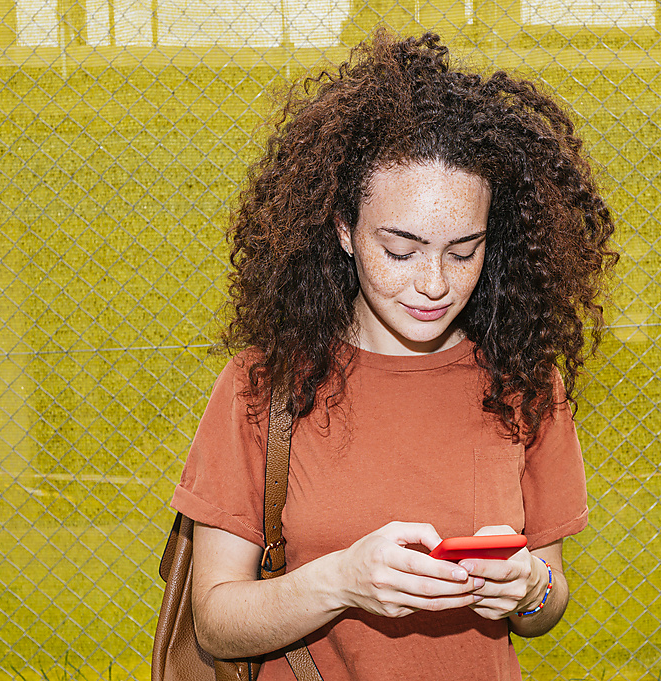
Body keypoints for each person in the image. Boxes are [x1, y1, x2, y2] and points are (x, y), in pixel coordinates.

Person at [170, 29, 617, 681]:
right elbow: (215, 619)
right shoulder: (260, 385)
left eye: (464, 250)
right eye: (401, 250)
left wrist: (527, 588)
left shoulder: (526, 381)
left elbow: (548, 602)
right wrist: (342, 581)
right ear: (344, 228)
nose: (434, 282)